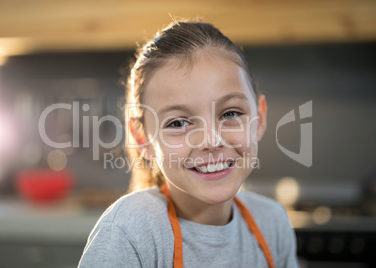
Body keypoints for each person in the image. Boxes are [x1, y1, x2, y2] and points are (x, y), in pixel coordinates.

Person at [78, 19, 299, 268]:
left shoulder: (273, 223)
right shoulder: (130, 231)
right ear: (143, 139)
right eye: (178, 123)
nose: (211, 141)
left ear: (259, 118)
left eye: (230, 114)